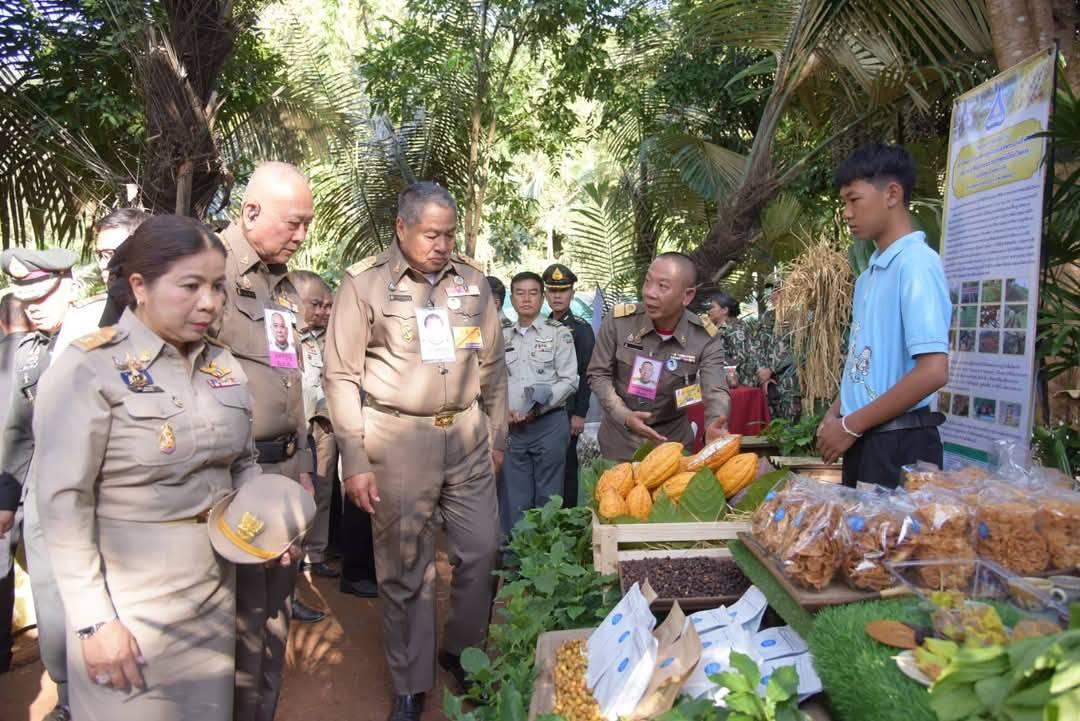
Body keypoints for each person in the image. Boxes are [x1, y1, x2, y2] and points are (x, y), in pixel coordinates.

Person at [30, 215, 260, 721]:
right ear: (140, 286)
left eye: (217, 287)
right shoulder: (89, 367)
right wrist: (94, 623)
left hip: (214, 597)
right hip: (130, 611)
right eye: (191, 286)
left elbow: (243, 461)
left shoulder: (224, 366)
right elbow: (64, 505)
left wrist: (264, 520)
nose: (209, 302)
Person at [324, 181, 509, 721]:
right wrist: (354, 459)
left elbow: (494, 367)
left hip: (469, 439)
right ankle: (410, 680)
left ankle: (461, 649)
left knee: (481, 550)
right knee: (406, 565)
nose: (442, 244)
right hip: (398, 440)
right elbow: (339, 375)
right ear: (401, 228)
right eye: (431, 234)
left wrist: (496, 437)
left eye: (450, 234)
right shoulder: (364, 286)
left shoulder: (473, 284)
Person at [212, 161, 323, 721]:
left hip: (281, 470)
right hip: (232, 480)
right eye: (294, 222)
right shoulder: (208, 274)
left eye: (307, 223)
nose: (302, 235)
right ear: (250, 211)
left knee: (273, 615)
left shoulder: (282, 284)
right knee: (233, 625)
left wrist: (302, 463)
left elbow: (290, 376)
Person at [816, 143, 950, 488]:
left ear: (892, 194)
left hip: (902, 444)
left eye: (854, 199)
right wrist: (836, 413)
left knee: (892, 543)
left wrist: (850, 424)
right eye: (843, 202)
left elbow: (933, 371)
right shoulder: (867, 278)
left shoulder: (917, 264)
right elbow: (865, 365)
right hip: (864, 437)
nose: (846, 212)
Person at [0, 248, 78, 720]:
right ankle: (69, 699)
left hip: (104, 502)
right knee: (52, 606)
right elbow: (15, 432)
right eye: (28, 301)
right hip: (46, 500)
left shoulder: (102, 337)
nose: (36, 307)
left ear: (69, 283)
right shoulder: (29, 356)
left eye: (44, 295)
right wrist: (8, 498)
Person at [587, 252, 730, 462]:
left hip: (672, 445)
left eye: (663, 286)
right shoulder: (619, 321)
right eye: (647, 282)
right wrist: (624, 416)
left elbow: (715, 390)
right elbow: (598, 374)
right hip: (620, 443)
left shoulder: (704, 337)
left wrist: (715, 425)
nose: (649, 293)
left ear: (687, 295)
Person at [500, 272, 577, 535]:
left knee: (549, 496)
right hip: (512, 428)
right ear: (512, 298)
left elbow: (569, 381)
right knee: (514, 497)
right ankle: (515, 563)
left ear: (542, 298)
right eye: (520, 293)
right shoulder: (501, 336)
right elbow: (491, 382)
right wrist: (502, 413)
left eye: (533, 293)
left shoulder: (559, 334)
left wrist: (537, 409)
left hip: (548, 425)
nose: (526, 299)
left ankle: (546, 558)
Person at [289, 270, 341, 580]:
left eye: (327, 305)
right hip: (293, 424)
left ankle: (315, 553)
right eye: (315, 304)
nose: (322, 311)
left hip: (326, 424)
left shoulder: (334, 337)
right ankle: (288, 550)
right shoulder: (283, 333)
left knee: (322, 488)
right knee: (292, 488)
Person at [57, 208, 150, 353]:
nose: (102, 265)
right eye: (100, 255)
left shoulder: (180, 314)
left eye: (110, 254)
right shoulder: (83, 318)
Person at [542, 263, 594, 506]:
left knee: (566, 468)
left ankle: (568, 516)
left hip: (567, 411)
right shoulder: (541, 327)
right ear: (545, 294)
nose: (557, 296)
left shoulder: (581, 330)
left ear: (572, 293)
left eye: (563, 291)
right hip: (543, 410)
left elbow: (587, 374)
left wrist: (580, 414)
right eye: (552, 291)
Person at [751, 278, 801, 421]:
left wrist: (771, 368)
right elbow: (757, 345)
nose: (773, 295)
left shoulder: (800, 317)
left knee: (791, 421)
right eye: (773, 291)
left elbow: (800, 349)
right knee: (771, 423)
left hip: (791, 379)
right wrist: (762, 370)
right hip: (768, 382)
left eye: (779, 291)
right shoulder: (767, 317)